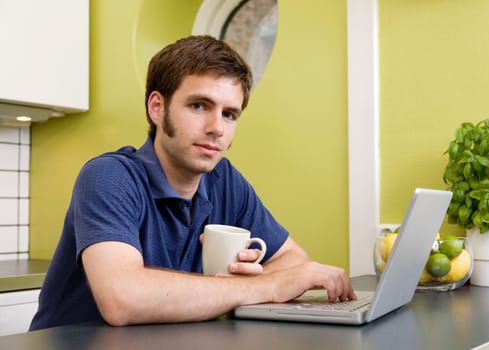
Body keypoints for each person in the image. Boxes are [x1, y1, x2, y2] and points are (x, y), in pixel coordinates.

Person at [30, 35, 355, 330]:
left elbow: (294, 261)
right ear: (157, 107)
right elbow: (121, 299)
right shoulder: (109, 176)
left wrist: (251, 274)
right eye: (199, 106)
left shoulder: (225, 180)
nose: (217, 128)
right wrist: (263, 286)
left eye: (230, 114)